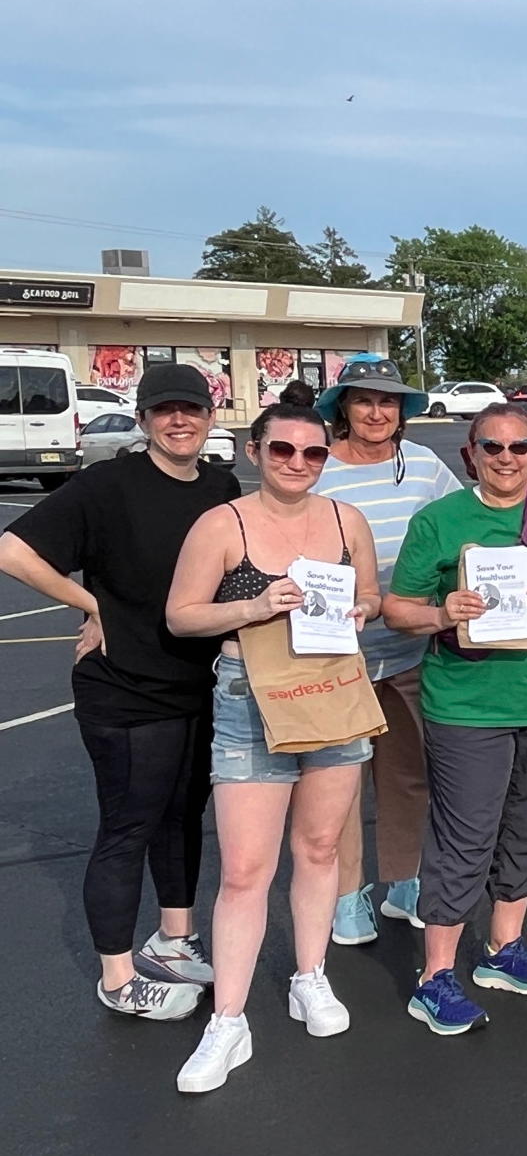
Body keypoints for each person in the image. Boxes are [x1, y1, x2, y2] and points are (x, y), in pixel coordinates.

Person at [0, 364, 238, 1020]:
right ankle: (117, 976)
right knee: (128, 823)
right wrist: (91, 603)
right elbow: (14, 551)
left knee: (182, 815)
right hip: (125, 689)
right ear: (142, 420)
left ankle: (174, 938)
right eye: (164, 410)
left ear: (211, 416)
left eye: (190, 408)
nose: (179, 420)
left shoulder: (220, 487)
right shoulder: (107, 485)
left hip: (198, 683)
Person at [162, 405, 380, 1091]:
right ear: (255, 451)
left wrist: (362, 608)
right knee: (245, 869)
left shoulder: (347, 521)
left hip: (332, 688)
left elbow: (370, 591)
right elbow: (181, 614)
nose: (297, 462)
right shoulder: (222, 524)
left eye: (313, 453)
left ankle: (308, 975)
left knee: (319, 848)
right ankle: (228, 1019)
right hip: (249, 695)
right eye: (282, 448)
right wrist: (255, 606)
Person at [383, 405, 527, 1035]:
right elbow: (398, 608)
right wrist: (441, 612)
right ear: (470, 454)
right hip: (466, 706)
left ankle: (504, 949)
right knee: (466, 837)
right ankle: (435, 977)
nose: (507, 458)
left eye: (520, 447)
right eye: (493, 447)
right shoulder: (440, 521)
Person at [313, 356, 461, 947]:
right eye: (364, 400)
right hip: (333, 655)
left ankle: (403, 880)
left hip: (406, 650)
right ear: (343, 408)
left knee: (407, 776)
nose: (377, 412)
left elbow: (459, 529)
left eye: (389, 402)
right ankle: (348, 895)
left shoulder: (423, 465)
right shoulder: (317, 470)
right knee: (339, 782)